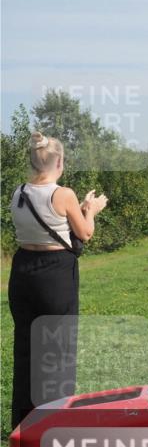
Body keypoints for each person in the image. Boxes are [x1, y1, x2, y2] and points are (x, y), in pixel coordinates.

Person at [7, 132, 108, 427]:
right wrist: (91, 210)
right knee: (58, 348)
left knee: (26, 345)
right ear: (60, 162)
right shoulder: (63, 194)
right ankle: (54, 418)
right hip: (55, 273)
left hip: (23, 269)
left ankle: (24, 421)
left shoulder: (18, 192)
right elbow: (85, 234)